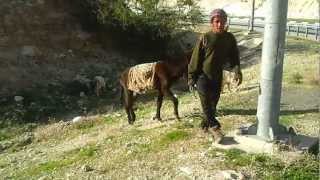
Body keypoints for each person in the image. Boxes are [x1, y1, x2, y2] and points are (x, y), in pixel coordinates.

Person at [188, 8, 242, 143]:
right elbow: (195, 59)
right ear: (212, 22)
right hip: (202, 77)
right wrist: (191, 78)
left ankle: (204, 126)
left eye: (222, 22)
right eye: (217, 22)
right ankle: (215, 129)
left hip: (217, 77)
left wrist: (237, 70)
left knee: (212, 105)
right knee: (206, 104)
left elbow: (234, 56)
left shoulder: (229, 38)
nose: (220, 25)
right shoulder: (205, 38)